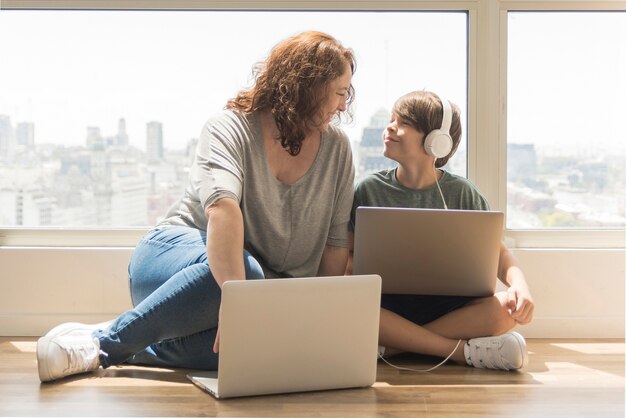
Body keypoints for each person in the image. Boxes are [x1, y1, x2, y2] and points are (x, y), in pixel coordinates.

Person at [37, 31, 357, 382]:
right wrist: (243, 304)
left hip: (250, 294)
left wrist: (316, 320)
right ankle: (103, 344)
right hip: (173, 265)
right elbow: (223, 211)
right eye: (340, 93)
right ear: (307, 86)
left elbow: (335, 245)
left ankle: (134, 334)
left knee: (263, 347)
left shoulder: (338, 149)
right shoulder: (230, 127)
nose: (344, 106)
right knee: (247, 276)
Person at [349, 90, 534, 371]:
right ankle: (463, 352)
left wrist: (520, 286)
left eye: (403, 122)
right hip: (388, 306)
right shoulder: (369, 189)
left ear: (437, 141)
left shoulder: (463, 193)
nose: (389, 127)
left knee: (507, 309)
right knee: (354, 309)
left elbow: (500, 255)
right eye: (391, 119)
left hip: (451, 307)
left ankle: (395, 346)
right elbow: (348, 254)